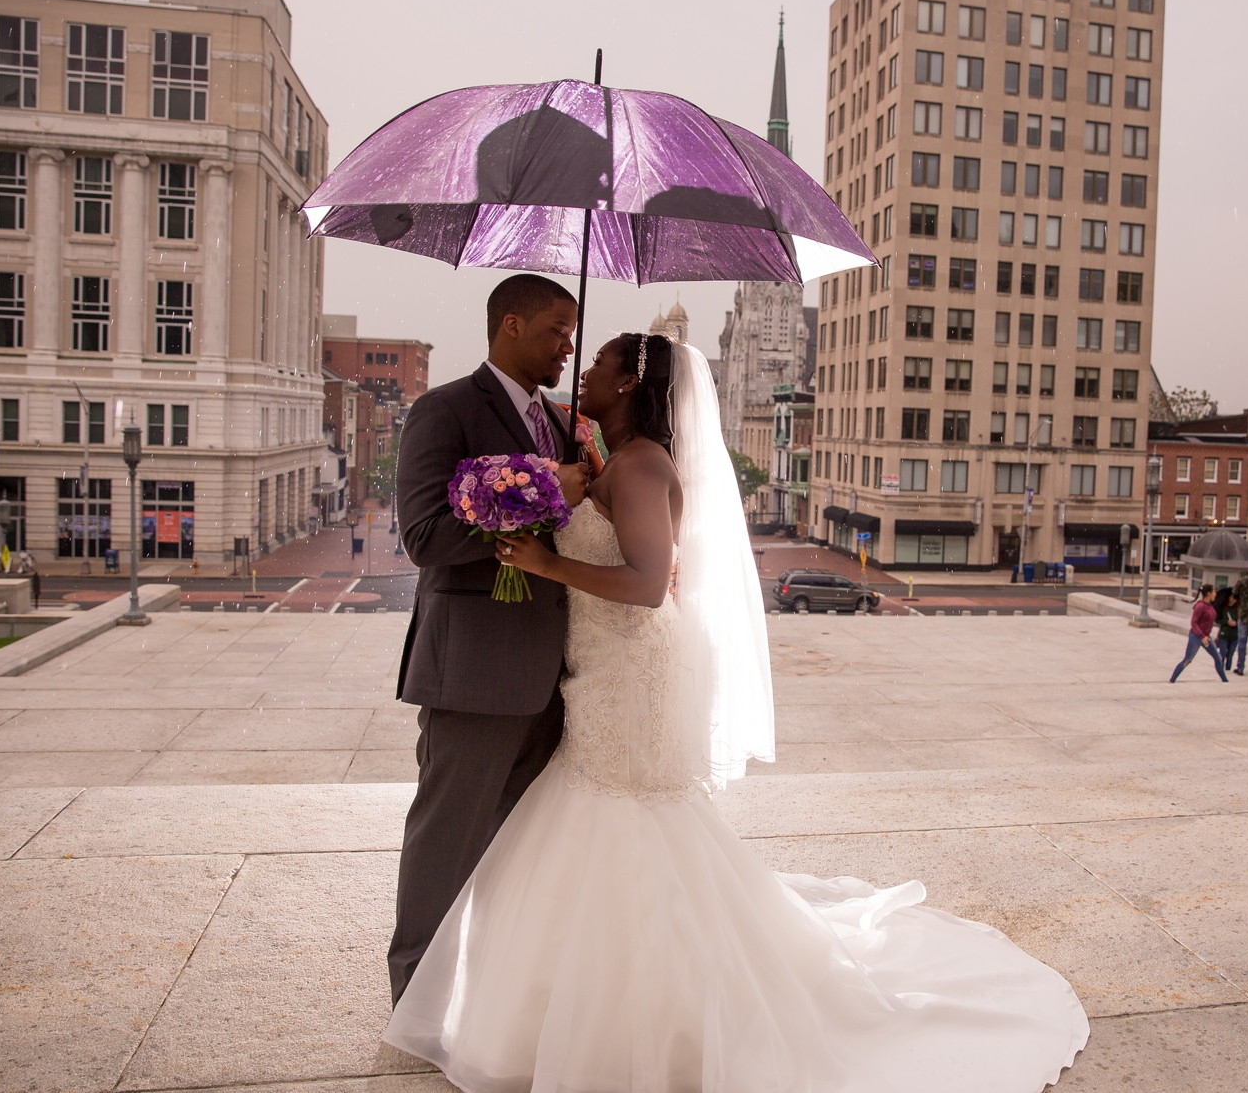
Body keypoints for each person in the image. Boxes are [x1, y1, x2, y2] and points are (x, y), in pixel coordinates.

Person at [387, 334, 1088, 1092]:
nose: (582, 368)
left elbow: (651, 582)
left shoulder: (646, 463)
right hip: (591, 667)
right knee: (596, 822)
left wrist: (545, 561)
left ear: (629, 383)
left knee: (625, 820)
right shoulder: (606, 458)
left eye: (598, 363)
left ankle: (651, 1015)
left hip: (628, 670)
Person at [387, 273, 591, 1004]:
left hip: (554, 682)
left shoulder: (564, 426)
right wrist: (536, 494)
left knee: (520, 853)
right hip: (472, 674)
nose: (568, 345)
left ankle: (496, 1000)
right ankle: (415, 1000)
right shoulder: (442, 412)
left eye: (571, 333)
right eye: (555, 331)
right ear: (511, 324)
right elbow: (424, 536)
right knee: (447, 846)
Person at [1170, 584, 1229, 684]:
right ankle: (1172, 680)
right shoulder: (1200, 606)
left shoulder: (1210, 606)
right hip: (1196, 636)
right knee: (1188, 659)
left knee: (1218, 658)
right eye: (1214, 592)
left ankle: (1225, 680)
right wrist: (1202, 636)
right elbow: (1193, 623)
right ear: (1208, 594)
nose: (1215, 594)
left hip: (1206, 637)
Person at [1212, 586, 1238, 669]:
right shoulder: (1222, 608)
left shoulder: (1238, 609)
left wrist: (1236, 623)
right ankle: (1220, 668)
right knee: (1222, 653)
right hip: (1224, 635)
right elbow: (1217, 620)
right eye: (1232, 597)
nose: (1234, 599)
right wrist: (1226, 622)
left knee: (1230, 655)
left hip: (1235, 635)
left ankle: (1228, 668)